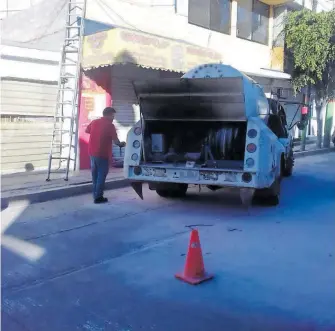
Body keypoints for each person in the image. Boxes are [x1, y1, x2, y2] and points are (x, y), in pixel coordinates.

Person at [85, 107, 126, 204]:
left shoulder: (94, 122)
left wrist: (97, 133)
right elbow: (116, 142)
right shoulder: (110, 126)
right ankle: (98, 197)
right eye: (113, 115)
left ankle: (95, 195)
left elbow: (87, 131)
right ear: (109, 114)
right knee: (101, 176)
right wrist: (122, 144)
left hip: (92, 153)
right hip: (102, 154)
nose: (113, 117)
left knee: (95, 175)